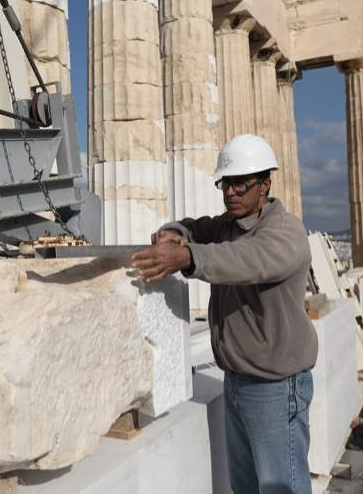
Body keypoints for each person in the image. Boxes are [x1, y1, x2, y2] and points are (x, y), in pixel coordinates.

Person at [131, 134, 318, 494]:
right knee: (245, 486)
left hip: (275, 388)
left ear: (266, 184)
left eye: (240, 183)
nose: (230, 192)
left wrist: (187, 257)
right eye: (225, 183)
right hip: (237, 381)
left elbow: (245, 260)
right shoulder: (228, 226)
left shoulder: (285, 232)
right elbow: (197, 227)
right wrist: (173, 233)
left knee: (282, 487)